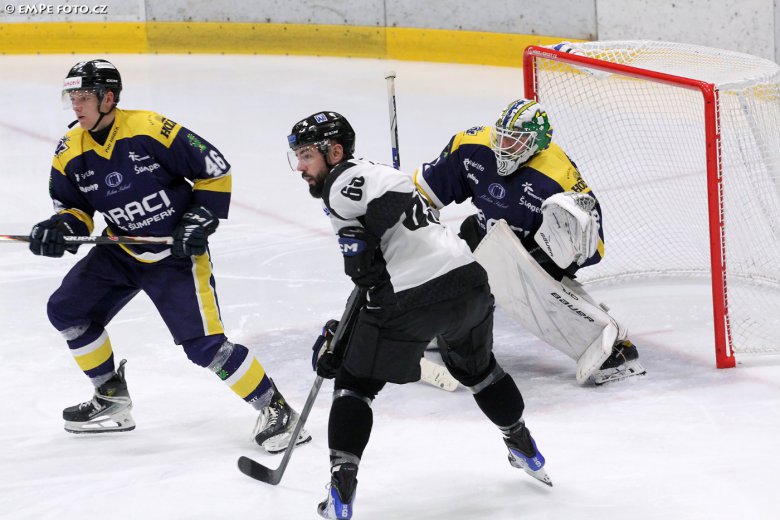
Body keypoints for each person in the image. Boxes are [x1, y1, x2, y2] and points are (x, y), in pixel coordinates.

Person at [28, 59, 310, 453]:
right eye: (71, 97)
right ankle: (110, 397)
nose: (76, 105)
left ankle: (276, 409)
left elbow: (214, 168)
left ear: (108, 98)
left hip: (175, 255)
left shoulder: (148, 128)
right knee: (66, 310)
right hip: (120, 250)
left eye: (84, 97)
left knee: (205, 347)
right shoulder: (68, 150)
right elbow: (74, 209)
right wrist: (60, 229)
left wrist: (198, 218)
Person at [287, 110, 551, 520]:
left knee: (355, 383)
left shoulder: (339, 185)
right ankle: (524, 447)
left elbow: (371, 263)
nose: (300, 167)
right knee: (480, 371)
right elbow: (378, 254)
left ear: (334, 152)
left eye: (306, 155)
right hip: (469, 282)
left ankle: (342, 486)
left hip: (412, 296)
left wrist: (345, 338)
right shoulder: (371, 172)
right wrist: (346, 330)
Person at [413, 98, 646, 385]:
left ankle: (612, 351)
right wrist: (411, 219)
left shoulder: (558, 175)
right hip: (485, 236)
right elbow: (424, 193)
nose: (503, 147)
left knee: (538, 294)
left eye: (514, 141)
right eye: (501, 137)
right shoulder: (471, 147)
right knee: (444, 255)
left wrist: (562, 247)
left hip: (532, 258)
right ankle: (436, 325)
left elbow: (593, 248)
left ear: (537, 143)